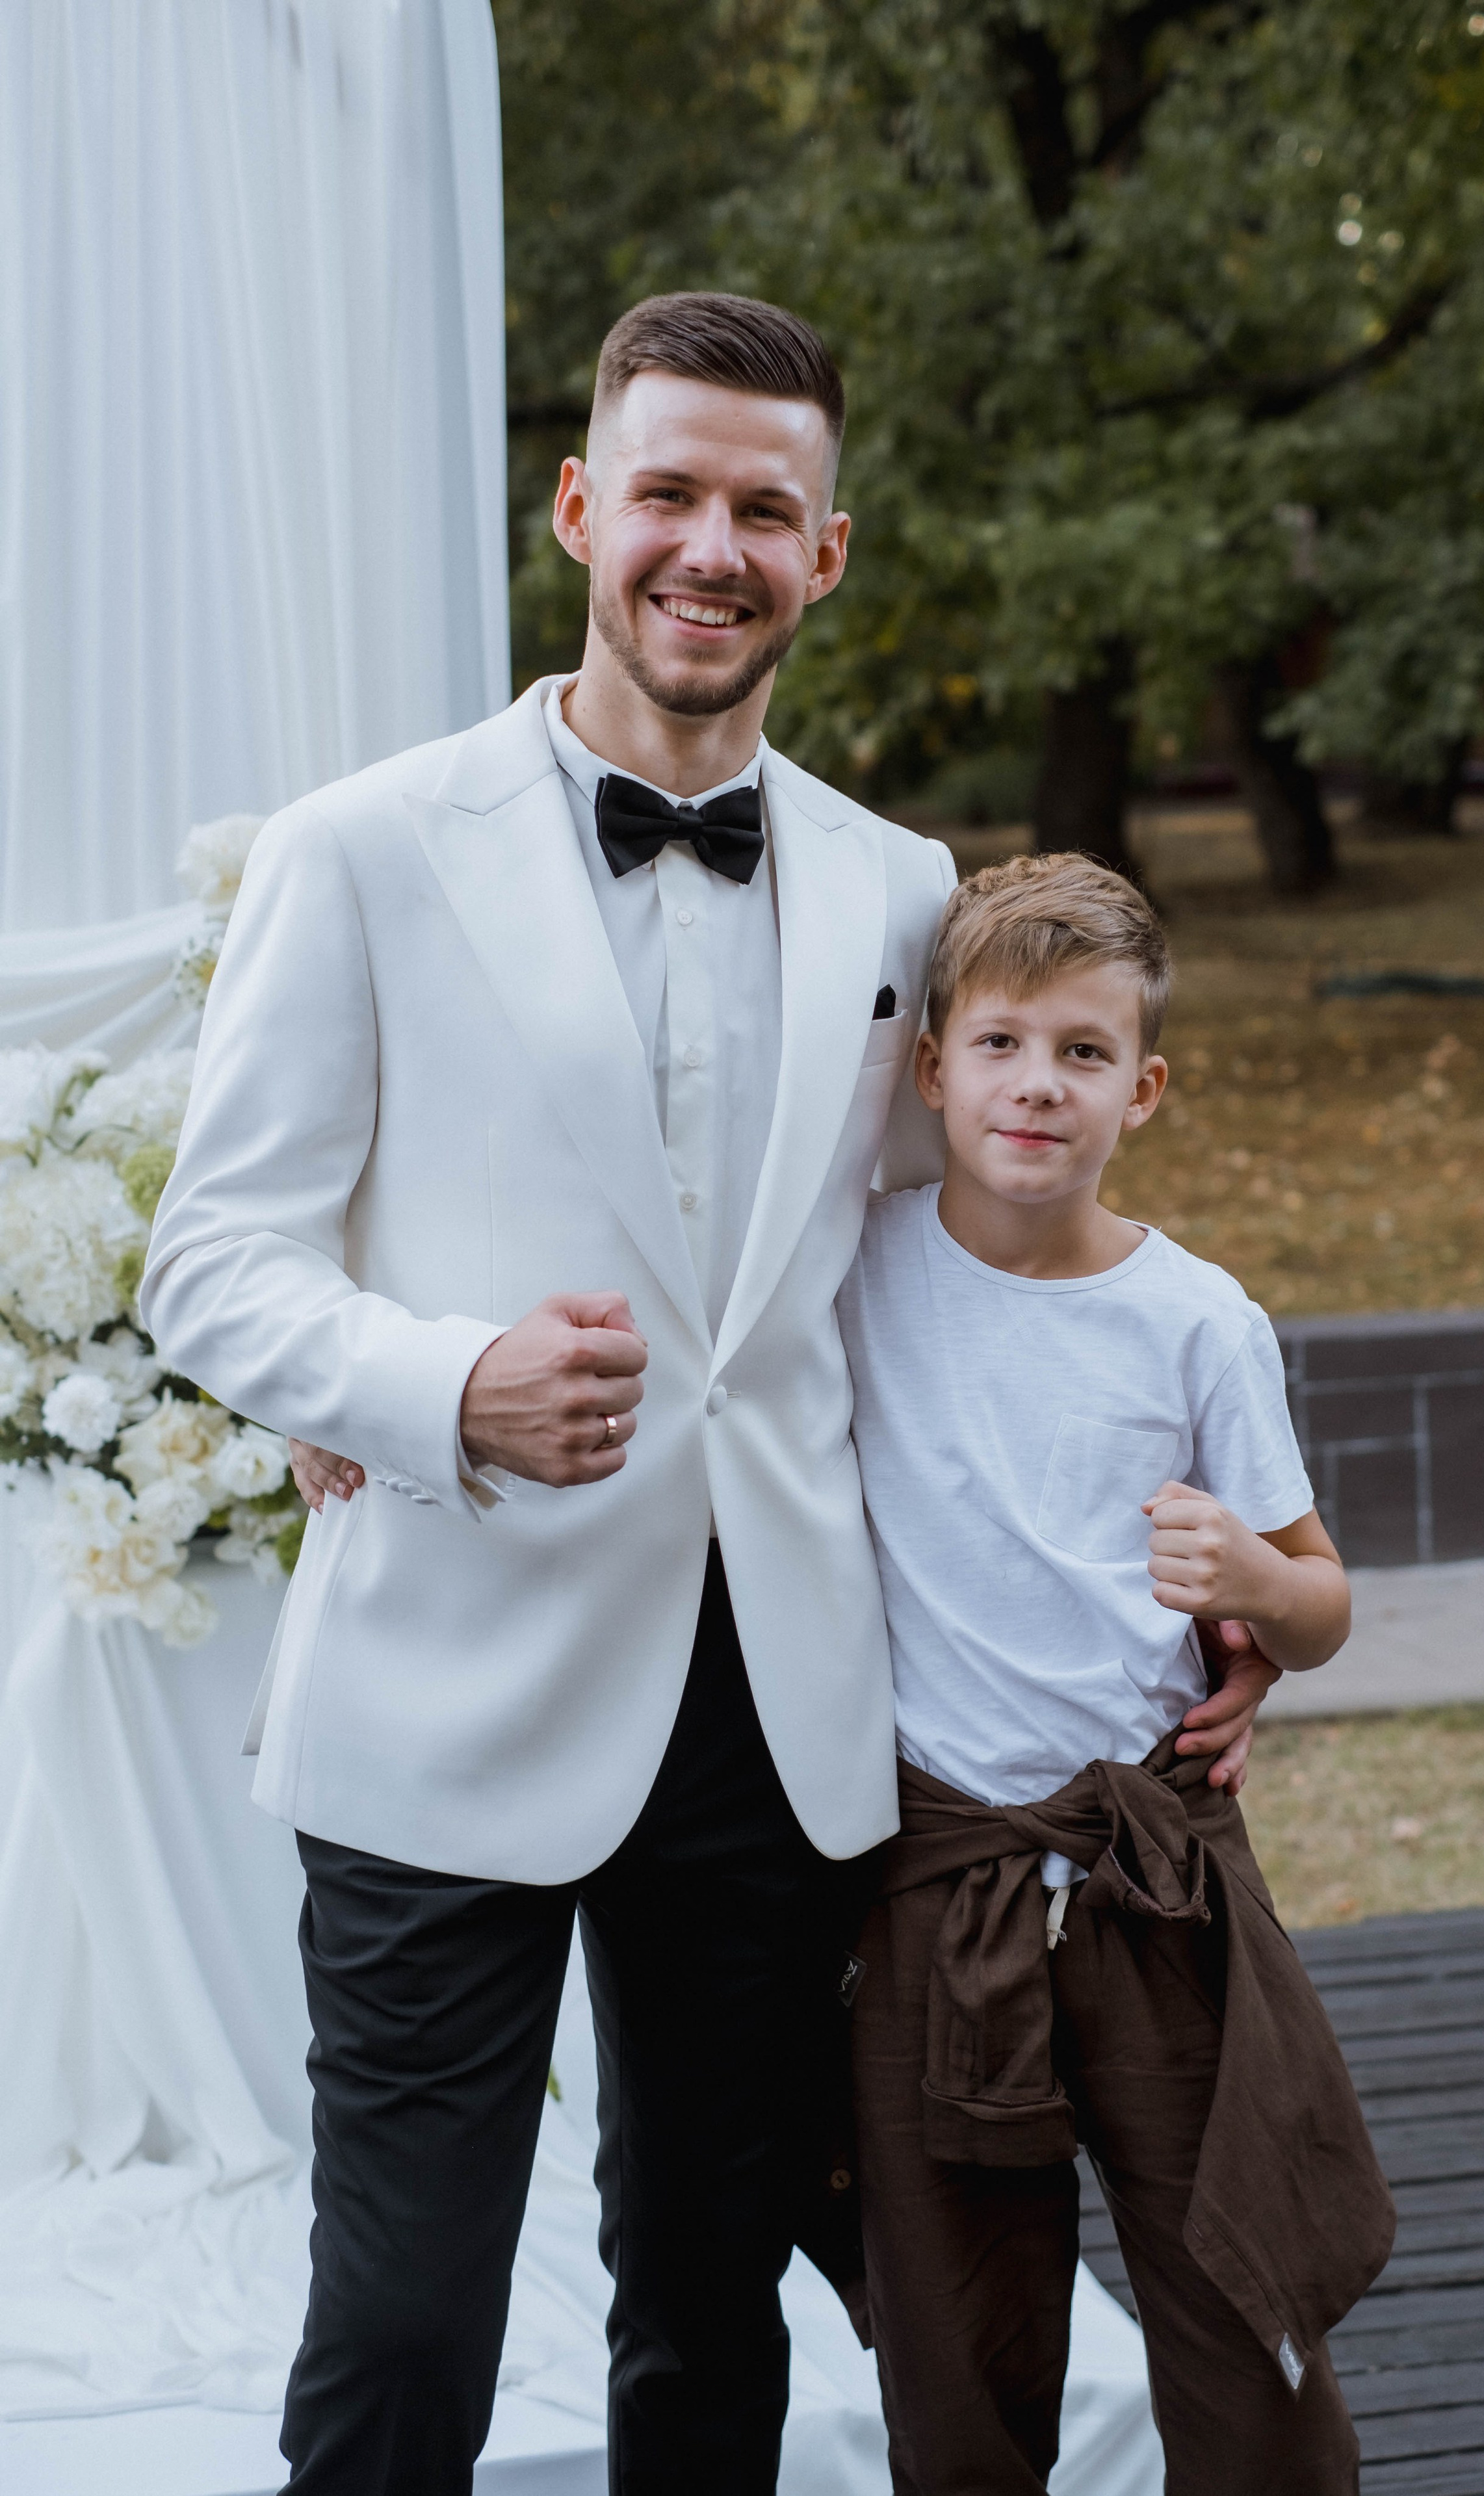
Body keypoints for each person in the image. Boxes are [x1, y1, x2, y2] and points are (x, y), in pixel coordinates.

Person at [143, 292, 1276, 2494]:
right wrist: (435, 1378)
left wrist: (1201, 1576)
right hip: (440, 1691)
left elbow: (960, 1278)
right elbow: (215, 1257)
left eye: (766, 508)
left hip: (772, 1717)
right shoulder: (364, 844)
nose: (710, 545)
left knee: (711, 2305)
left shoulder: (902, 890)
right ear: (580, 506)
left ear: (824, 555)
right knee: (400, 2323)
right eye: (666, 491)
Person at [834, 853, 1396, 2495]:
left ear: (1139, 1090)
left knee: (1245, 2323)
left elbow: (1322, 1597)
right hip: (932, 1880)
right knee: (956, 2363)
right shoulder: (851, 1273)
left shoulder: (1196, 1321)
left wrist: (1257, 1597)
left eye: (1083, 1054)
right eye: (1001, 1044)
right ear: (931, 1069)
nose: (1036, 1087)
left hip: (1157, 1880)